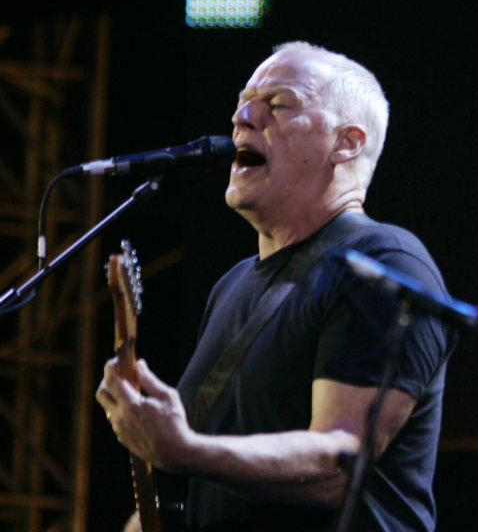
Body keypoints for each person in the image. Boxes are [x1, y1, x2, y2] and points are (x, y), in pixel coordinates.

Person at [97, 41, 456, 531]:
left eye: (279, 104)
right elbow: (197, 490)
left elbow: (340, 463)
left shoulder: (383, 264)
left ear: (347, 143)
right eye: (243, 102)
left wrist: (185, 449)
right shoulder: (232, 286)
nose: (241, 117)